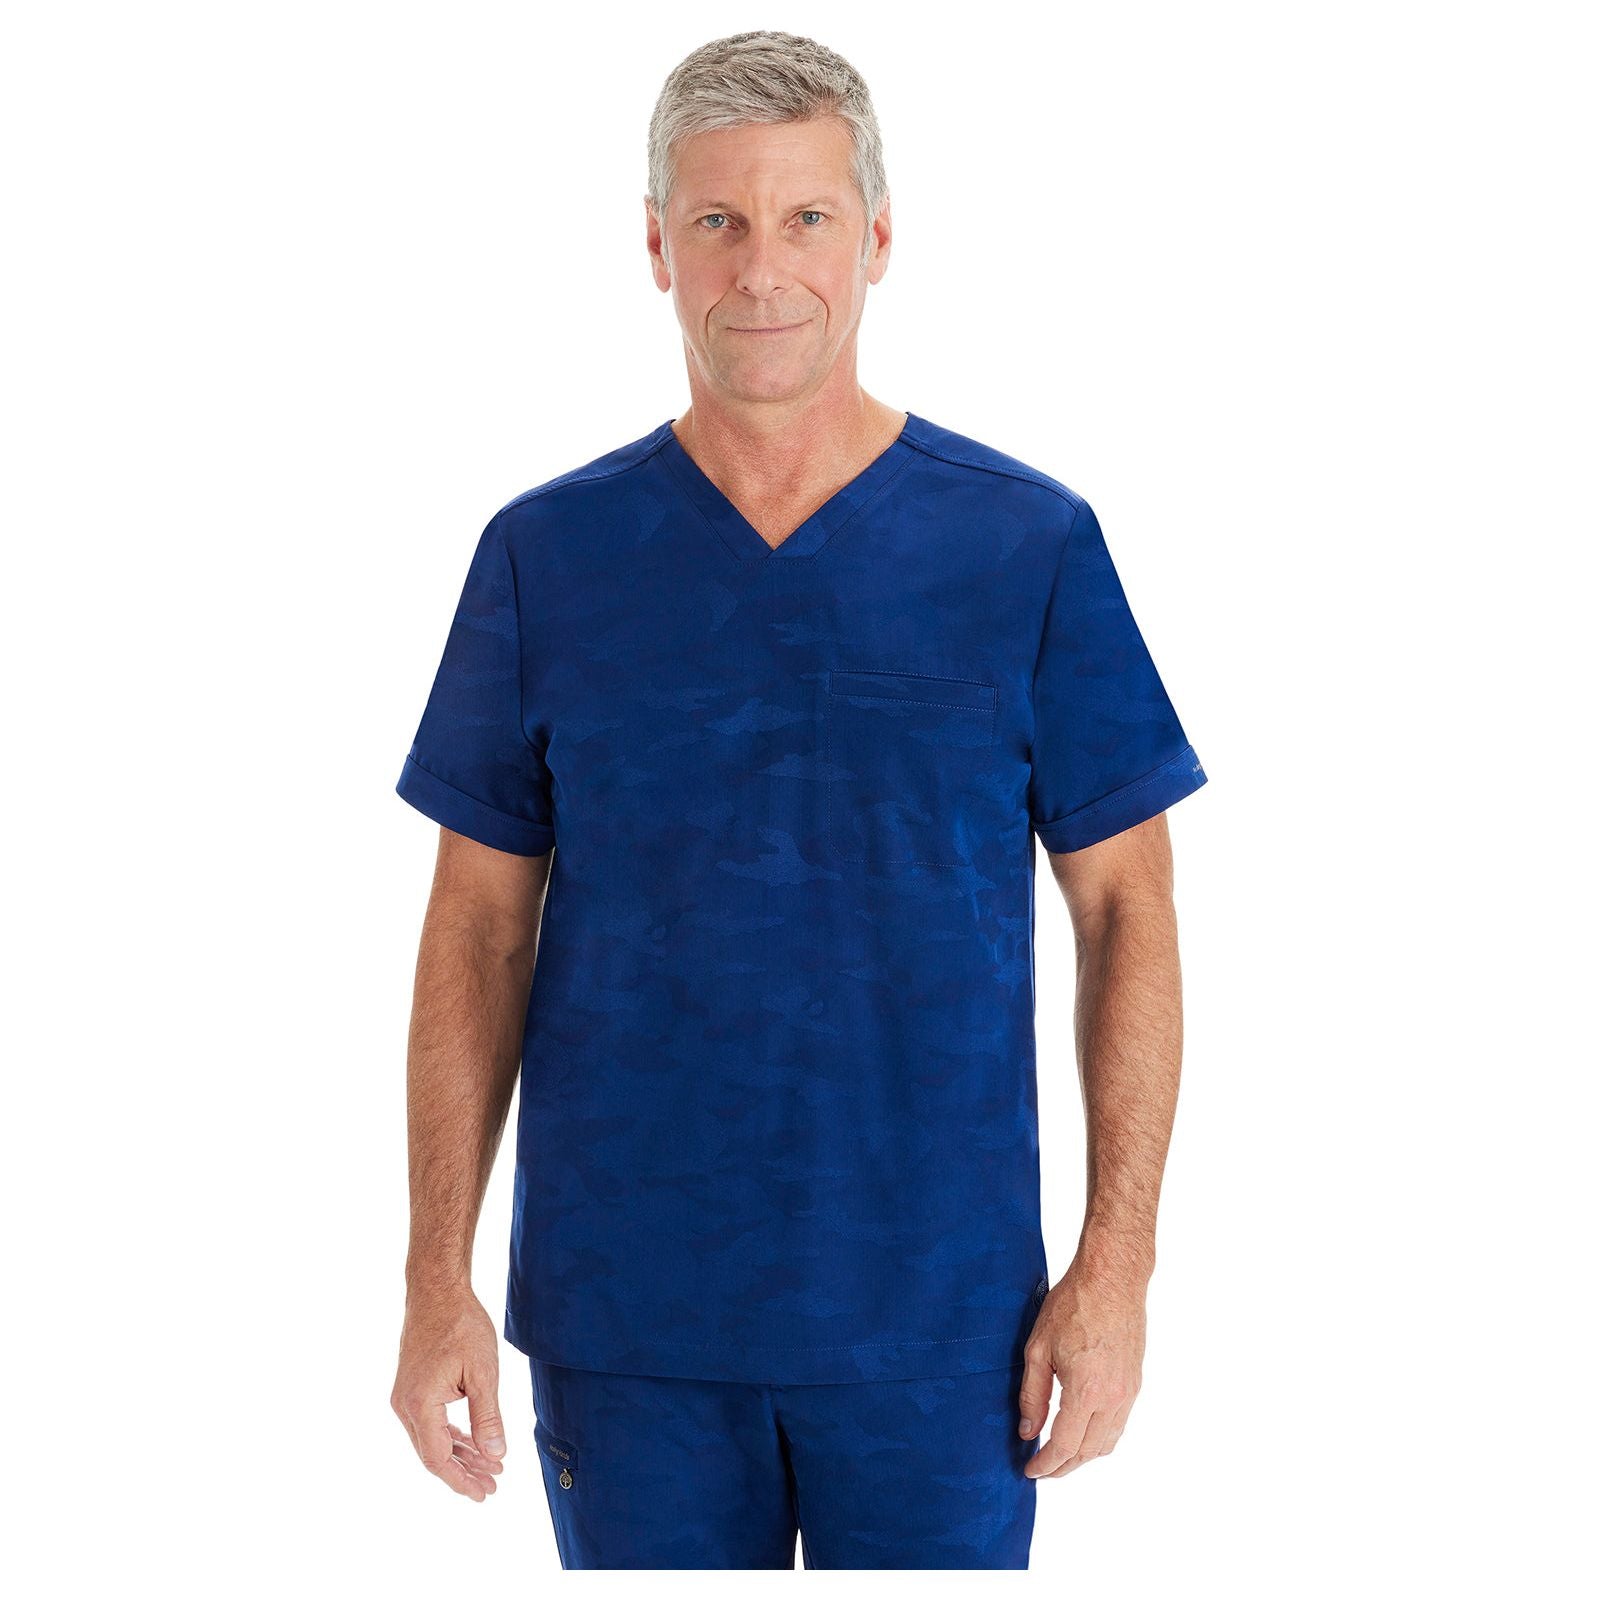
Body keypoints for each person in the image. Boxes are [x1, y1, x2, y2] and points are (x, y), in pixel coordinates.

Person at [388, 28, 1207, 1571]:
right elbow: (477, 928)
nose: (762, 268)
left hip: (947, 1331)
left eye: (806, 217)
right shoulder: (544, 560)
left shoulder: (1024, 548)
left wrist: (1119, 1267)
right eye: (718, 220)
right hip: (628, 1328)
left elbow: (1126, 911)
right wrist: (438, 1276)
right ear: (656, 248)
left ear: (878, 239)